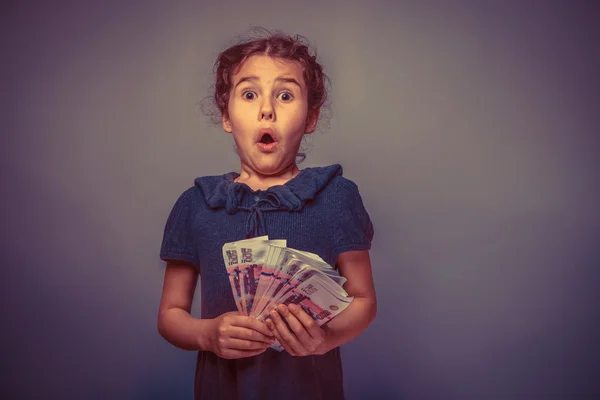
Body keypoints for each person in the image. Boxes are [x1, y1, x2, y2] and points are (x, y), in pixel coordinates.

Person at [157, 29, 377, 400]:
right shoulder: (195, 204)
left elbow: (364, 301)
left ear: (311, 117)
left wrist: (326, 339)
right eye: (248, 94)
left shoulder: (337, 197)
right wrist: (206, 334)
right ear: (226, 114)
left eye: (286, 95)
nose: (266, 109)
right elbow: (170, 313)